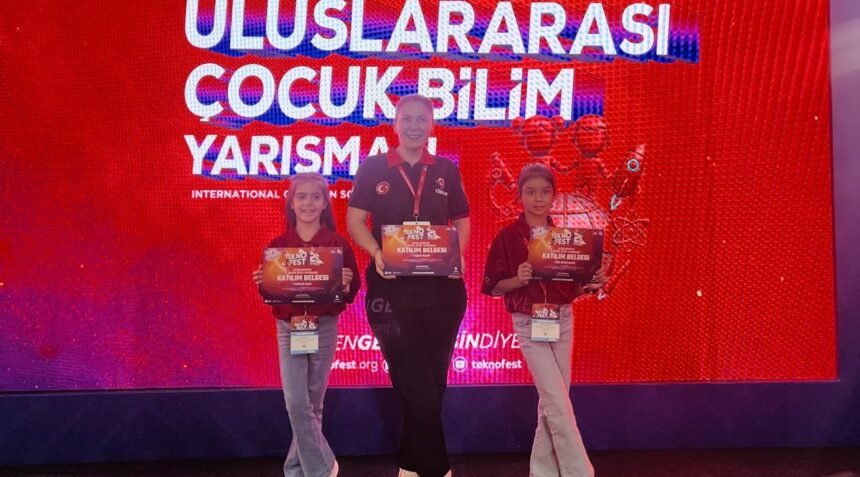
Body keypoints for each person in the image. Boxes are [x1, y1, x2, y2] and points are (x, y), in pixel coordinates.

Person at [346, 94, 471, 477]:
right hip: (390, 292)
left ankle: (409, 463)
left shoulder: (446, 170)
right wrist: (375, 253)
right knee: (411, 375)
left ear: (432, 125)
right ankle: (438, 467)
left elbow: (462, 219)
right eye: (407, 119)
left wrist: (457, 254)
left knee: (433, 378)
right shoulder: (373, 167)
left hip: (443, 292)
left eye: (421, 120)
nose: (414, 126)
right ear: (395, 124)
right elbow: (355, 221)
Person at [481, 164, 606, 477]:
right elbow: (492, 287)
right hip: (528, 322)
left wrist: (592, 282)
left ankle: (542, 471)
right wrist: (518, 278)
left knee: (553, 403)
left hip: (562, 319)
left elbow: (574, 288)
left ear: (553, 196)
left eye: (545, 192)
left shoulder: (566, 238)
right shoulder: (507, 237)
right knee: (556, 402)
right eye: (530, 192)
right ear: (520, 196)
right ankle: (580, 472)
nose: (538, 198)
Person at [253, 172, 360, 477]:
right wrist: (264, 282)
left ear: (325, 203)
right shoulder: (279, 245)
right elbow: (273, 294)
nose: (308, 203)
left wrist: (346, 283)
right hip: (290, 328)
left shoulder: (337, 244)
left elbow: (351, 291)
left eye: (315, 197)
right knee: (296, 402)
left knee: (313, 403)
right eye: (302, 197)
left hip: (323, 326)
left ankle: (295, 469)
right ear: (291, 203)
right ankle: (323, 468)